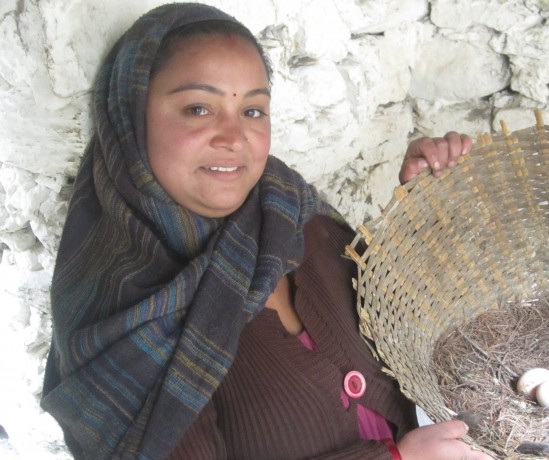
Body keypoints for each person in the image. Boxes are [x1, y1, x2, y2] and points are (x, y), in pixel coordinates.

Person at [41, 3, 491, 459]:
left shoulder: (292, 214)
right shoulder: (125, 312)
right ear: (130, 119)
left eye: (253, 110)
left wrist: (422, 207)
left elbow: (397, 317)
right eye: (198, 108)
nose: (234, 137)